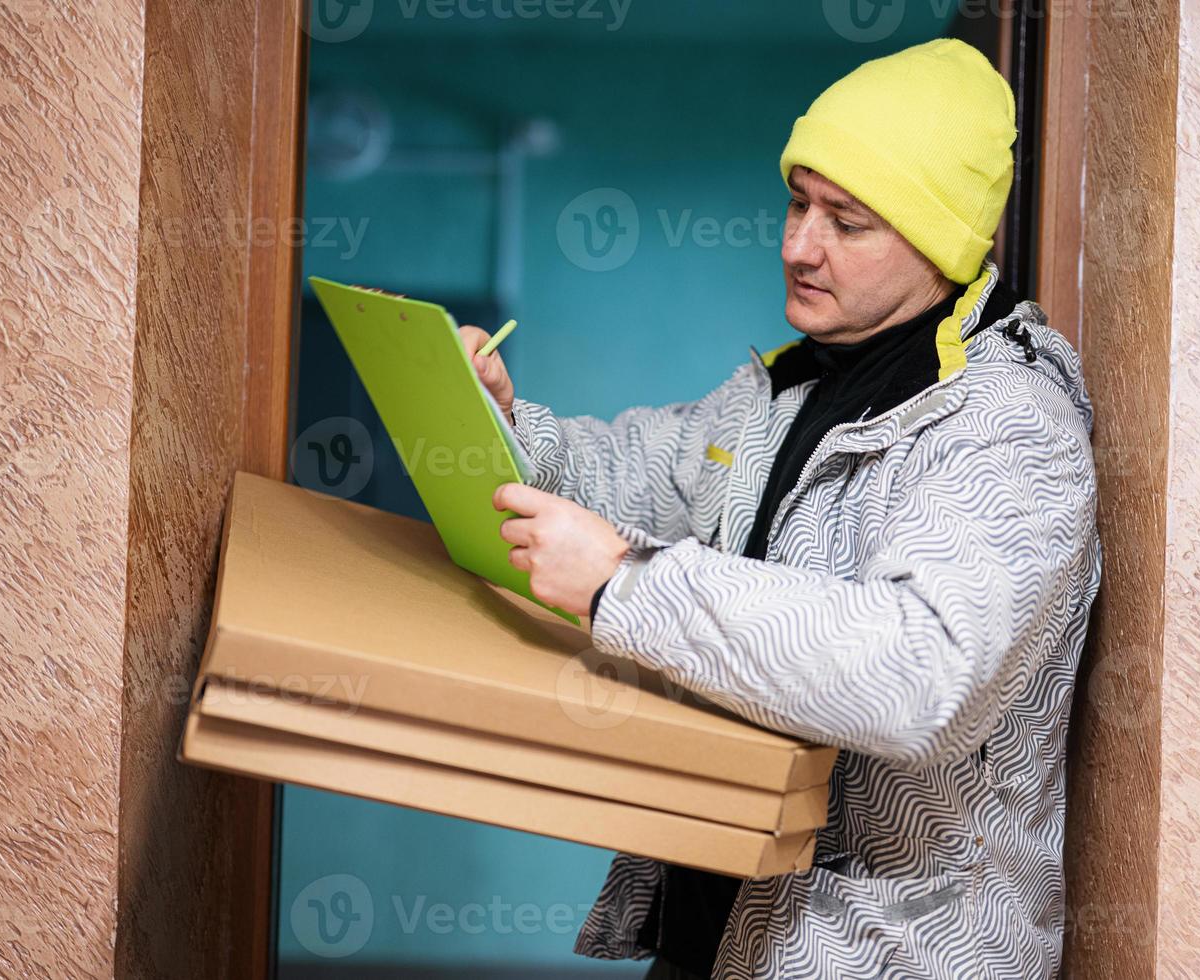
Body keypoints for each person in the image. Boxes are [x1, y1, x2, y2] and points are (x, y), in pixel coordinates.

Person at [460, 37, 1101, 980]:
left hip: (877, 955)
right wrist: (508, 421)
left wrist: (625, 586)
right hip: (719, 932)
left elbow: (919, 674)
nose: (800, 244)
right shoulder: (790, 390)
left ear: (942, 242)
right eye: (799, 203)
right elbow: (625, 474)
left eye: (847, 222)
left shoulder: (1009, 430)